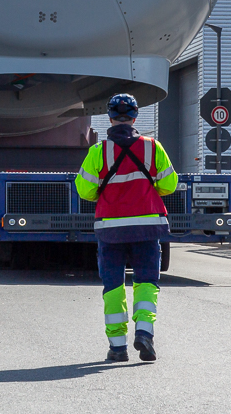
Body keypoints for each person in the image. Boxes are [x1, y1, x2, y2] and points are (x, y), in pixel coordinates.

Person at [75, 93, 178, 363]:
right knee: (146, 282)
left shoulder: (98, 152)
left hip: (111, 230)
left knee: (113, 286)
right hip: (147, 227)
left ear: (109, 117)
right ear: (135, 116)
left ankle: (118, 347)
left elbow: (85, 191)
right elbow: (169, 185)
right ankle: (145, 332)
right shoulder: (153, 148)